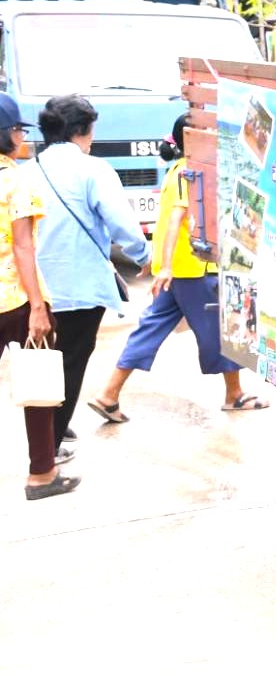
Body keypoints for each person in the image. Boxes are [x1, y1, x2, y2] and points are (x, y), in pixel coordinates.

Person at [90, 115, 268, 421]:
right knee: (222, 329)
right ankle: (235, 395)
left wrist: (160, 264)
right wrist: (166, 266)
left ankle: (109, 395)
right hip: (192, 269)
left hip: (177, 271)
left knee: (149, 329)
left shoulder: (175, 170)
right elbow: (175, 221)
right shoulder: (192, 172)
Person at [27, 94, 151, 453]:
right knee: (71, 363)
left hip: (36, 290)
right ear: (81, 131)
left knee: (42, 362)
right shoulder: (94, 170)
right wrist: (143, 254)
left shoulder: (27, 172)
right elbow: (121, 220)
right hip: (79, 287)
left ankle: (51, 428)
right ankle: (47, 449)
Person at [0, 95, 75, 499]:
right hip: (16, 298)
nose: (22, 137)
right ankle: (42, 475)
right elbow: (23, 248)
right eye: (17, 130)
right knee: (41, 386)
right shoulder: (15, 179)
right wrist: (37, 307)